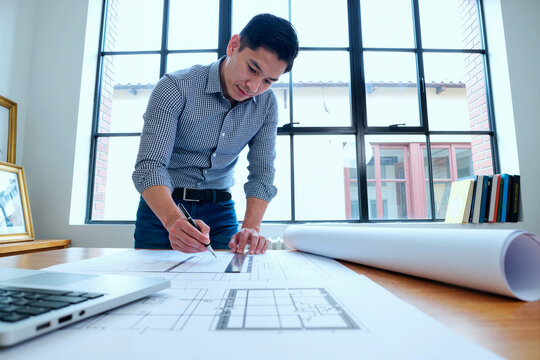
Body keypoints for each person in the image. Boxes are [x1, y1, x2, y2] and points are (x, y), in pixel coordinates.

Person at [132, 14, 299, 256]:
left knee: (223, 288)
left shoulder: (267, 104)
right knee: (155, 287)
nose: (253, 87)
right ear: (233, 46)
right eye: (252, 69)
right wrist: (172, 221)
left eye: (268, 81)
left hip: (221, 213)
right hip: (162, 210)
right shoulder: (175, 87)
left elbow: (262, 172)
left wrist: (251, 227)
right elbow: (150, 167)